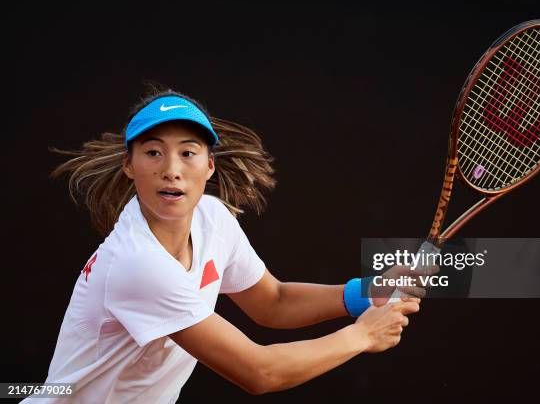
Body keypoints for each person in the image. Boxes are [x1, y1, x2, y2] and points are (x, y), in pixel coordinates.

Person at [23, 85, 421, 403]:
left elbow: (273, 301)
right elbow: (259, 372)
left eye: (188, 153)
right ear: (130, 165)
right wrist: (361, 336)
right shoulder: (138, 265)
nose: (171, 170)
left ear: (209, 165)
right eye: (153, 152)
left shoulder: (213, 219)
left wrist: (363, 296)